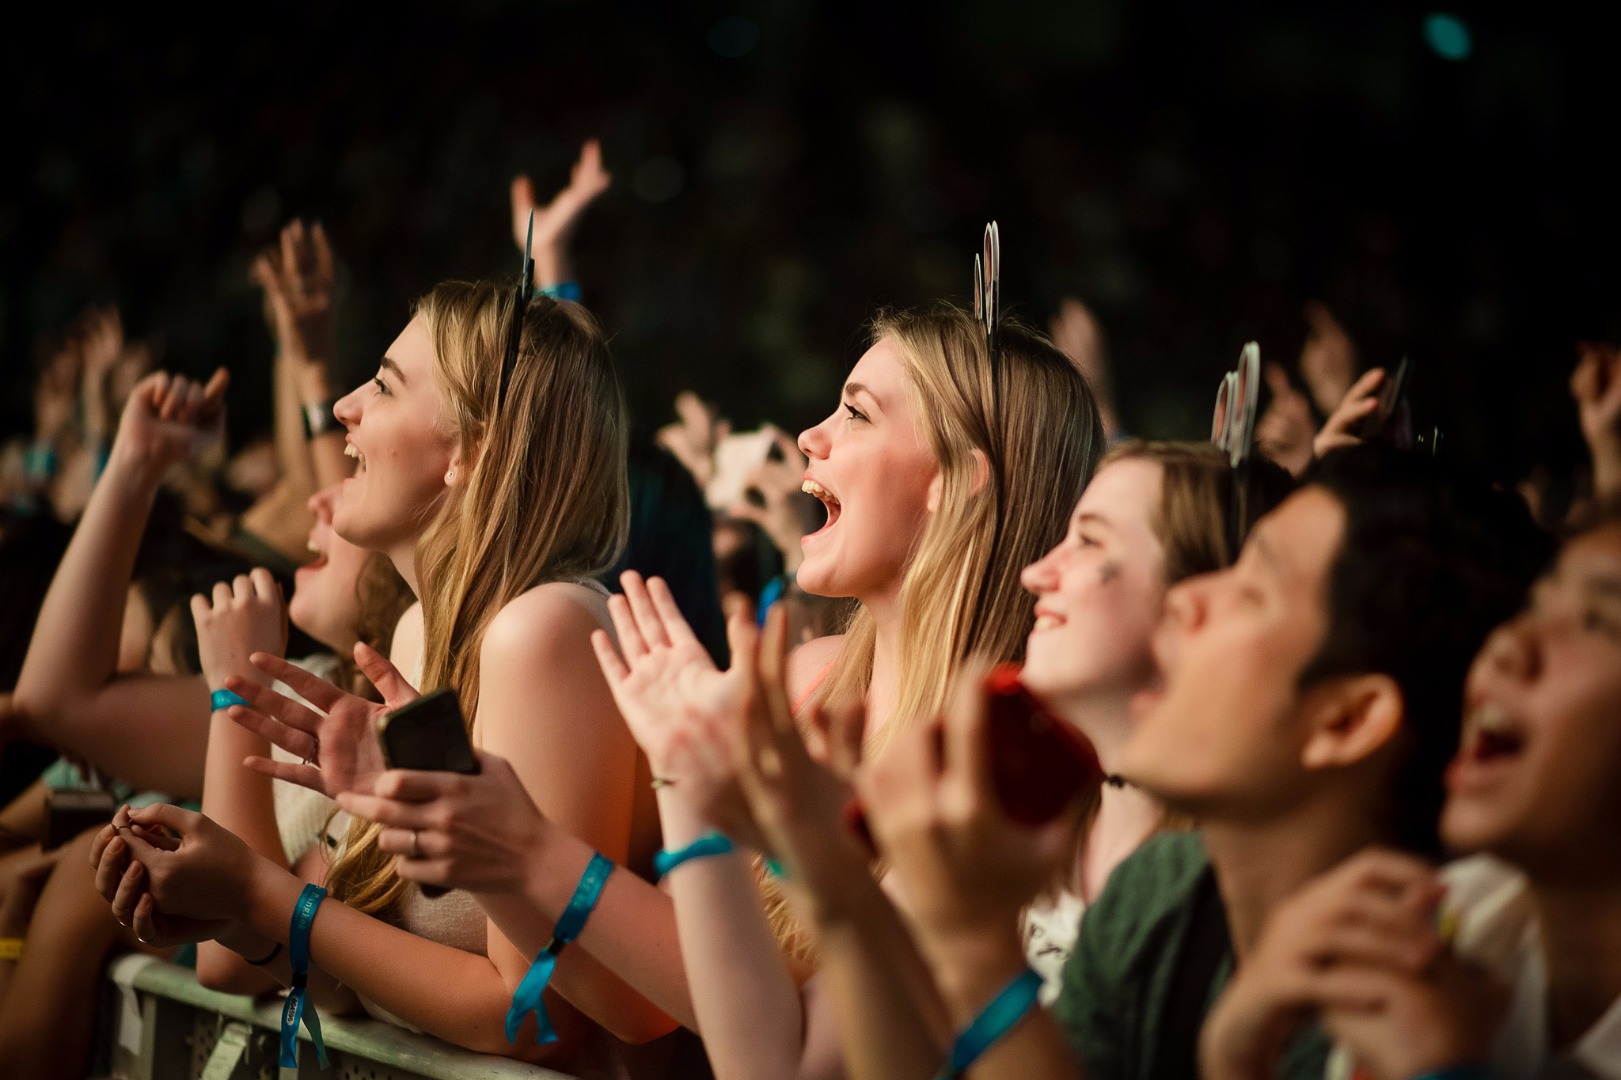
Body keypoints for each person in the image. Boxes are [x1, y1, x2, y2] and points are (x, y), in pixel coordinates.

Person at [299, 300, 1106, 1080]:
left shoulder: (1005, 755)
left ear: (955, 481)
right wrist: (491, 851)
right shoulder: (801, 681)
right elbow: (649, 1010)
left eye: (856, 415)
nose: (809, 436)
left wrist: (533, 851)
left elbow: (787, 1062)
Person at [93, 277, 673, 1072]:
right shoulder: (413, 632)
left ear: (473, 451)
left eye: (386, 385)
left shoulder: (542, 632)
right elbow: (352, 986)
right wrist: (221, 909)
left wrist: (260, 897)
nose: (343, 408)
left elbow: (536, 1018)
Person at [856, 444, 1547, 1080]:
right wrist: (831, 888)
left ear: (1344, 720)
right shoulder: (1158, 895)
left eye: (1250, 591)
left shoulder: (1405, 993)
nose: (1184, 600)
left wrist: (974, 942)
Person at [1201, 502, 1621, 1080]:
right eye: (1536, 605)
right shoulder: (1454, 932)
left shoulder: (1433, 993)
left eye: (1600, 622)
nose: (1509, 646)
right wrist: (1235, 1061)